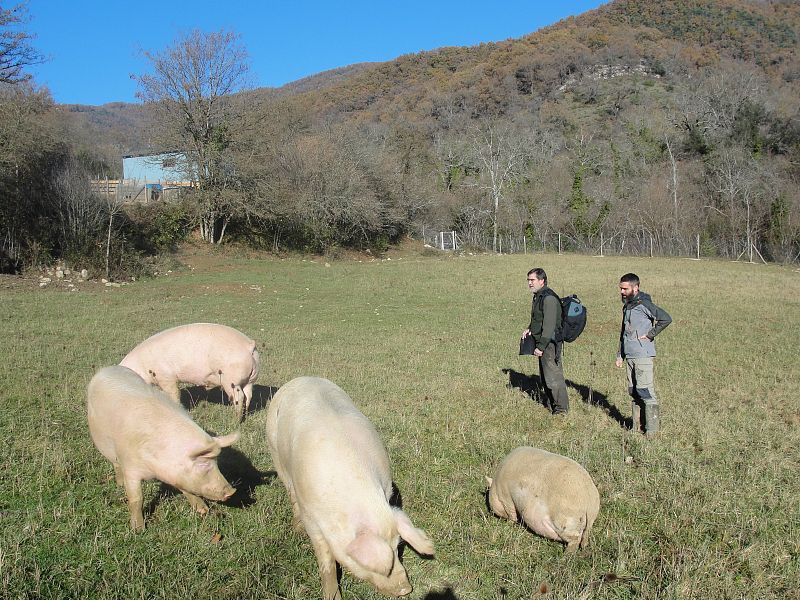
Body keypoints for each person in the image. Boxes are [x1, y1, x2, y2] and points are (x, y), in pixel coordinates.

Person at [615, 273, 672, 438]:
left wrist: (650, 334)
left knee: (645, 391)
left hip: (643, 355)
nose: (622, 292)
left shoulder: (644, 304)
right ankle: (637, 427)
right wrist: (620, 355)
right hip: (630, 356)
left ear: (635, 287)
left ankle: (652, 432)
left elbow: (665, 319)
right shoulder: (627, 306)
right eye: (621, 289)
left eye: (625, 289)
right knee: (634, 391)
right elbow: (623, 332)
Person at [522, 267, 569, 415]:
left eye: (532, 280)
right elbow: (538, 318)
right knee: (545, 376)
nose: (530, 283)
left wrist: (541, 347)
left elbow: (549, 326)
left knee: (553, 377)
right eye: (528, 280)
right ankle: (551, 404)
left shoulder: (548, 298)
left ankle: (561, 410)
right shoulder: (539, 296)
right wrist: (529, 328)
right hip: (543, 341)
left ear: (542, 281)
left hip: (549, 343)